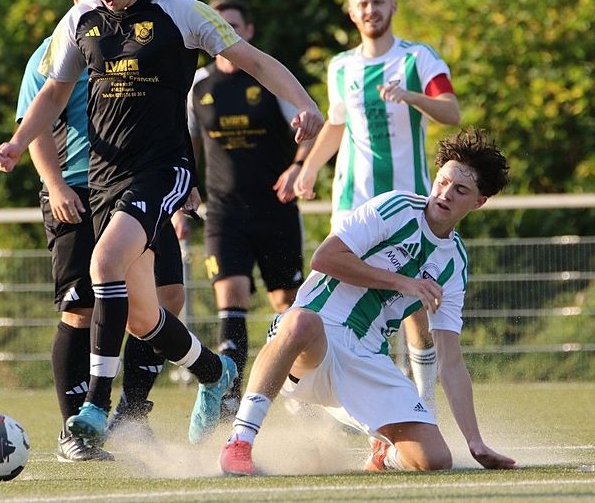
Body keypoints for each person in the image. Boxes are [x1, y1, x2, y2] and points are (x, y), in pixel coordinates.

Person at [0, 0, 324, 447]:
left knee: (104, 263)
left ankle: (96, 407)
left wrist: (305, 103)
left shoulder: (180, 10)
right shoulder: (81, 19)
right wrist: (18, 143)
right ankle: (215, 372)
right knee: (143, 318)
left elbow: (254, 60)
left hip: (162, 170)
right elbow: (55, 91)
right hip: (105, 180)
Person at [220, 128, 516, 475]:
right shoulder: (397, 207)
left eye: (460, 190)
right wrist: (404, 282)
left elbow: (450, 361)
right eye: (442, 182)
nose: (445, 194)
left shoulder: (455, 264)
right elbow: (324, 258)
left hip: (367, 359)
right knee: (301, 320)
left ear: (479, 202)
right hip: (314, 343)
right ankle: (239, 442)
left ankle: (383, 457)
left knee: (435, 460)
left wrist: (475, 442)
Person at [16, 0, 182, 461]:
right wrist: (55, 186)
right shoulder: (56, 49)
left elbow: (166, 113)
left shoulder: (145, 37)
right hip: (77, 190)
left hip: (139, 184)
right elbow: (35, 123)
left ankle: (132, 416)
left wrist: (186, 183)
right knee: (81, 308)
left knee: (165, 298)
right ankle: (76, 428)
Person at [294, 0, 461, 413]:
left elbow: (451, 111)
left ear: (393, 7)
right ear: (352, 13)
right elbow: (337, 124)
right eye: (363, 4)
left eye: (378, 2)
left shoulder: (418, 58)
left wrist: (411, 96)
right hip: (354, 204)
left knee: (415, 304)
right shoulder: (341, 66)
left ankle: (423, 400)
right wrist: (308, 169)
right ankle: (341, 395)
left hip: (411, 204)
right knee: (337, 294)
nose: (371, 10)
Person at [186, 0, 313, 418]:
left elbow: (313, 129)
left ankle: (299, 391)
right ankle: (228, 394)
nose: (224, 32)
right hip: (223, 213)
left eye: (233, 25)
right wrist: (182, 199)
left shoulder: (269, 79)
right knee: (231, 295)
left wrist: (299, 167)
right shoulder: (198, 85)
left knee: (287, 302)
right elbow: (185, 145)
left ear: (249, 31)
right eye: (217, 25)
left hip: (275, 210)